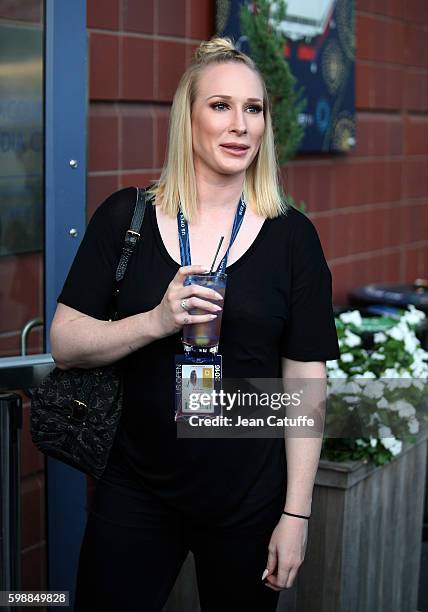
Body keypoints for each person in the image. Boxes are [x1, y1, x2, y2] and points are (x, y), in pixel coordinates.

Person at [51, 37, 340, 612]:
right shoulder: (124, 217)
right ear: (188, 118)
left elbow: (304, 377)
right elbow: (64, 342)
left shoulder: (292, 238)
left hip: (251, 497)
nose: (240, 126)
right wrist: (157, 320)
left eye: (253, 109)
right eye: (220, 106)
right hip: (135, 487)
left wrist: (296, 513)